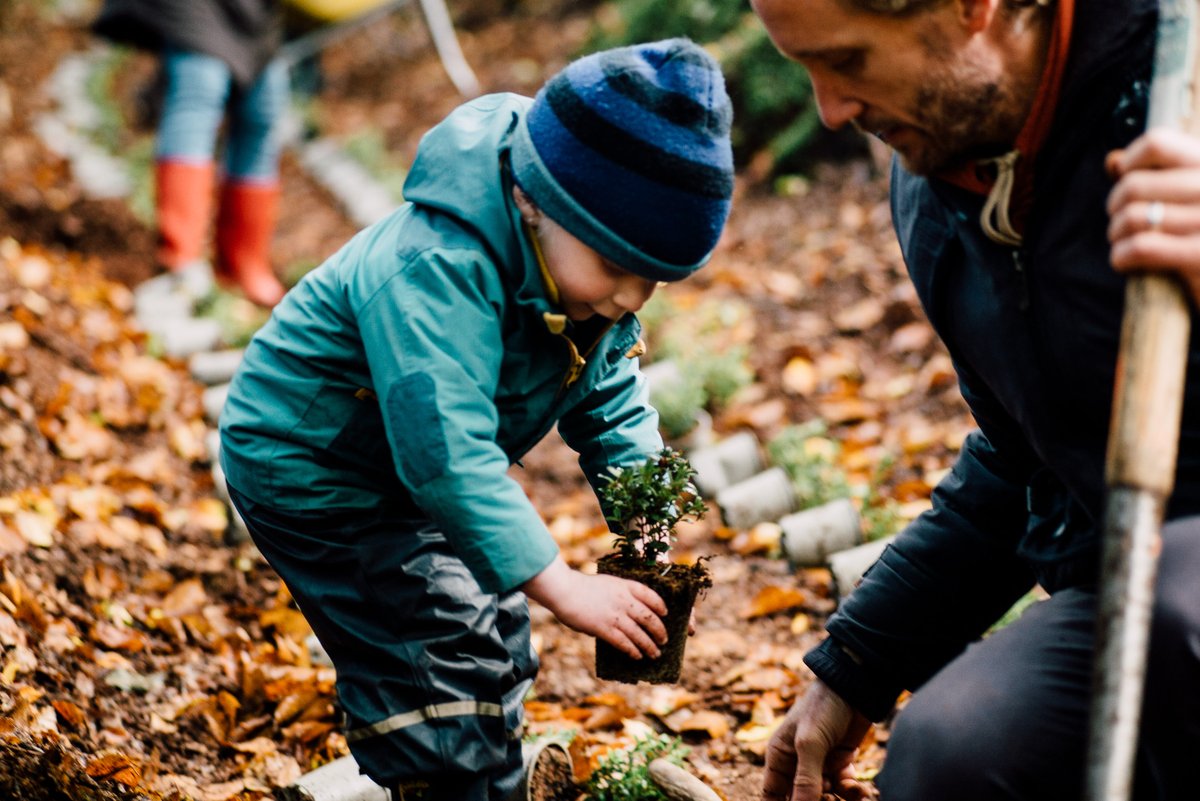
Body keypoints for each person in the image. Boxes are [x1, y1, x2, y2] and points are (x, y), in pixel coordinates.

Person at [218, 38, 734, 799]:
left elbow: (610, 397)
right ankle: (447, 772)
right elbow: (446, 453)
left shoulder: (578, 277)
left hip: (404, 468)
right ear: (536, 200)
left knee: (494, 621)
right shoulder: (439, 266)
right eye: (617, 270)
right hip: (315, 464)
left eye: (653, 281)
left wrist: (644, 514)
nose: (630, 298)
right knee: (435, 644)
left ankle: (484, 769)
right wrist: (561, 583)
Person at [748, 1, 1200, 800]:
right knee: (954, 747)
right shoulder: (937, 185)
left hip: (1175, 605)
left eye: (847, 61)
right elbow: (1029, 454)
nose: (829, 110)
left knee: (1176, 615)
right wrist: (858, 665)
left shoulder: (1178, 79)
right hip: (1129, 583)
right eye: (804, 69)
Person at [93, 0, 289, 307]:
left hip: (255, 13)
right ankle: (181, 257)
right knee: (201, 89)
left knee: (263, 109)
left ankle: (244, 263)